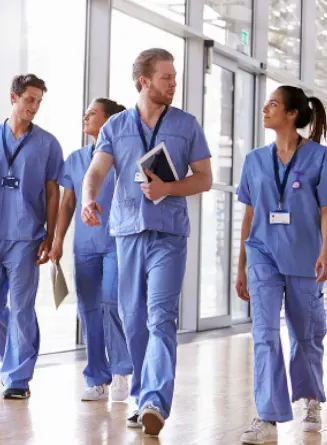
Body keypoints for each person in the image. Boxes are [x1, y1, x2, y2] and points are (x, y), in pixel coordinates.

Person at [81, 48, 212, 435]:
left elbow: (203, 178)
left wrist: (168, 187)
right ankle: (142, 397)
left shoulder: (187, 125)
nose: (174, 83)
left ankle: (155, 398)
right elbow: (96, 171)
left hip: (169, 234)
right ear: (145, 81)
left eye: (174, 77)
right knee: (134, 319)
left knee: (160, 317)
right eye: (167, 77)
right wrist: (89, 199)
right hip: (127, 233)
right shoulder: (116, 126)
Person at [236, 85, 327, 444]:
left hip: (307, 256)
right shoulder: (254, 160)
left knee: (306, 334)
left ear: (292, 114)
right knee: (265, 334)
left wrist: (326, 251)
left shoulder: (320, 158)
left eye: (272, 104)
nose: (265, 108)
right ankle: (268, 416)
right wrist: (241, 264)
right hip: (263, 255)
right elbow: (249, 213)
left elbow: (325, 210)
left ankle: (311, 398)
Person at [49, 98, 132, 402]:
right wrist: (57, 240)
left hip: (116, 242)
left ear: (110, 121)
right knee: (89, 311)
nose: (86, 115)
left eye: (93, 112)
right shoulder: (75, 158)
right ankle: (97, 377)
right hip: (84, 246)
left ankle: (122, 370)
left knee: (111, 303)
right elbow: (68, 202)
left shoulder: (124, 158)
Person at [0, 74, 63, 399]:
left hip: (25, 237)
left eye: (39, 101)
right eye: (29, 100)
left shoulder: (48, 144)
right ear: (13, 97)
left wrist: (51, 237)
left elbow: (53, 194)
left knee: (22, 307)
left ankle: (18, 379)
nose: (35, 107)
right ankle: (6, 363)